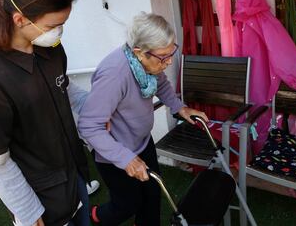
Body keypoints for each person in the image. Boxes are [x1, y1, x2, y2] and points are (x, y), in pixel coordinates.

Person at [0, 0, 90, 226]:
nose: (59, 33)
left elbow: (63, 87)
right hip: (38, 199)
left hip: (74, 177)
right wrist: (29, 213)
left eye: (63, 25)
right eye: (53, 26)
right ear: (20, 19)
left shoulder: (50, 47)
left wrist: (98, 108)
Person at [78, 13, 208, 226]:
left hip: (142, 142)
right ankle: (95, 216)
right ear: (139, 52)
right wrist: (125, 158)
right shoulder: (115, 74)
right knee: (127, 205)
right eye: (163, 57)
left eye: (170, 54)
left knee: (152, 196)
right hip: (115, 152)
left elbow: (162, 84)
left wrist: (181, 108)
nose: (167, 63)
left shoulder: (149, 65)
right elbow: (89, 126)